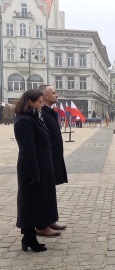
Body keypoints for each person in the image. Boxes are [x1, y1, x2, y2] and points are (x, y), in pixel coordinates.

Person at [14, 89, 60, 252]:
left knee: (38, 200)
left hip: (42, 163)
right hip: (32, 166)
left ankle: (30, 237)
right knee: (29, 203)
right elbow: (27, 148)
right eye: (39, 102)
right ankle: (29, 237)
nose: (42, 105)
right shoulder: (24, 120)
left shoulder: (33, 117)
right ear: (30, 102)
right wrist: (34, 173)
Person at [38, 84, 68, 235]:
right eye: (53, 92)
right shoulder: (41, 112)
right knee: (44, 191)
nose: (57, 95)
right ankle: (43, 225)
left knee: (50, 190)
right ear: (44, 96)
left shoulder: (50, 111)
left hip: (53, 157)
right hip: (45, 158)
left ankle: (50, 220)